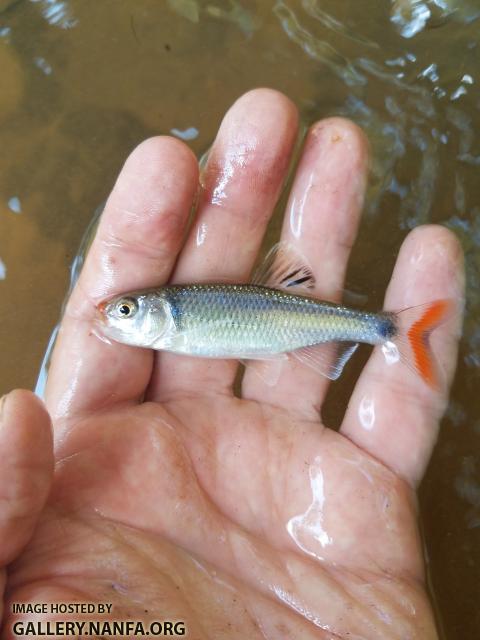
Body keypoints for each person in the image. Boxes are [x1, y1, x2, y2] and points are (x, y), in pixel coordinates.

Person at [0, 89, 464, 638]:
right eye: (124, 311)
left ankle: (393, 328)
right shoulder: (177, 321)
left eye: (126, 311)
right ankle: (391, 328)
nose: (117, 317)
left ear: (156, 314)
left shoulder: (179, 320)